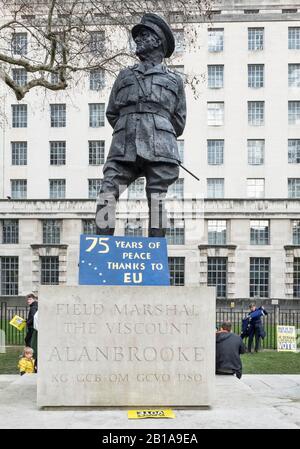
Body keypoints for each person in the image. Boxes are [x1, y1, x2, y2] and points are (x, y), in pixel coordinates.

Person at [95, 13, 186, 237]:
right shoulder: (124, 75)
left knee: (157, 199)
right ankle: (101, 249)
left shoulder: (174, 80)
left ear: (158, 41)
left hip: (160, 147)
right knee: (107, 192)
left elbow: (179, 121)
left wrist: (154, 126)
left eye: (144, 35)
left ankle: (155, 251)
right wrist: (132, 124)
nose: (138, 39)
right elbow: (112, 112)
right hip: (124, 143)